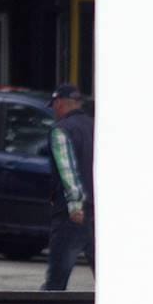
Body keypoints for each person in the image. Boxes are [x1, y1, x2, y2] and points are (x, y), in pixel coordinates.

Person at [42, 83, 95, 290]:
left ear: (59, 103)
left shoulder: (61, 130)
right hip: (98, 212)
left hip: (72, 215)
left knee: (56, 281)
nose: (54, 111)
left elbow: (67, 169)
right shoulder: (94, 126)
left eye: (54, 106)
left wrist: (75, 204)